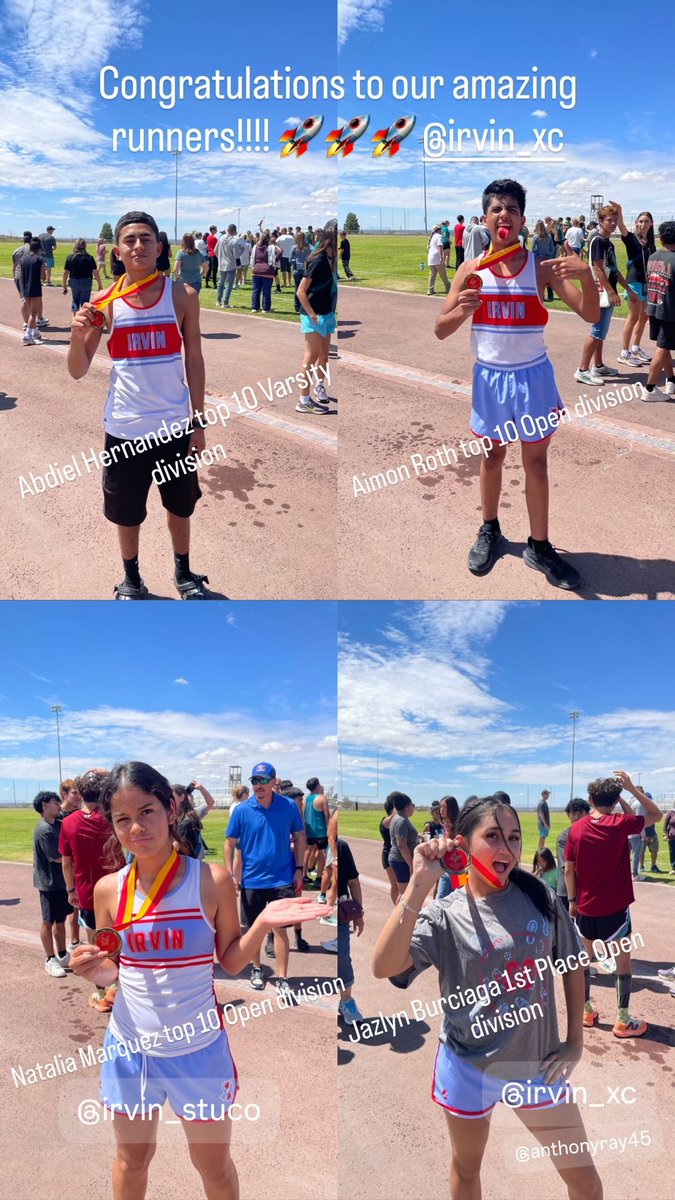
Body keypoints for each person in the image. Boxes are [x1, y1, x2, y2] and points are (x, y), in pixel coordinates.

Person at [70, 760, 324, 1200]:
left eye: (146, 811)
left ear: (170, 809)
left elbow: (231, 960)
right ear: (112, 824)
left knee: (214, 1168)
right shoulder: (109, 890)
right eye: (122, 819)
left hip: (198, 1052)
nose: (136, 828)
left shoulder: (211, 880)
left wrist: (262, 922)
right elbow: (115, 968)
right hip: (131, 1050)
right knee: (132, 1161)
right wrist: (93, 970)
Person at [373, 796, 603, 1200]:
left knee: (584, 1180)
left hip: (536, 1065)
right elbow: (384, 966)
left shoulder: (539, 896)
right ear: (462, 844)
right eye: (493, 836)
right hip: (467, 1066)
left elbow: (572, 963)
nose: (506, 849)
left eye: (513, 838)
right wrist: (419, 884)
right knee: (466, 1167)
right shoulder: (445, 913)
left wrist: (575, 1043)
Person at [435, 178, 599, 590]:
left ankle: (539, 546)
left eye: (512, 208)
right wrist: (462, 312)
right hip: (490, 378)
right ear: (485, 218)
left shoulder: (540, 268)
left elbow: (590, 314)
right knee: (492, 458)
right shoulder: (470, 270)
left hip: (532, 378)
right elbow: (440, 329)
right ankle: (490, 529)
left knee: (536, 464)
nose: (504, 214)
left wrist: (587, 277)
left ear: (523, 219)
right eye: (496, 208)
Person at [67, 210, 211, 601]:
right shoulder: (105, 302)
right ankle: (132, 579)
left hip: (174, 428)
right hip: (125, 430)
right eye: (129, 240)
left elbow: (194, 360)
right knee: (126, 513)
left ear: (159, 247)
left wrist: (198, 422)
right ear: (117, 252)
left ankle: (183, 573)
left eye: (146, 238)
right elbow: (78, 370)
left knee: (180, 507)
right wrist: (76, 337)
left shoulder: (182, 296)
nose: (138, 246)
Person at [565, 770, 662, 1037]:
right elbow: (655, 815)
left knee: (584, 961)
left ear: (590, 799)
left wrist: (572, 901)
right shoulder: (621, 823)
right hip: (616, 910)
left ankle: (586, 1012)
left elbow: (568, 870)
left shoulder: (576, 829)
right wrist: (630, 789)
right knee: (622, 962)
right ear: (615, 799)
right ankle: (622, 1019)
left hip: (584, 907)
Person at [224, 762, 307, 997]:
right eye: (254, 781)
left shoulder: (288, 806)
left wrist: (299, 868)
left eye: (262, 780)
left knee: (281, 930)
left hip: (282, 879)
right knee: (253, 930)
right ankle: (257, 969)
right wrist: (230, 874)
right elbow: (229, 844)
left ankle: (282, 977)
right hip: (252, 880)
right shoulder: (242, 810)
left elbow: (300, 836)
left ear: (273, 782)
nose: (258, 785)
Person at [59, 770, 124, 1010]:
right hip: (118, 887)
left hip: (88, 892)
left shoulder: (68, 822)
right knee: (122, 937)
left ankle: (101, 992)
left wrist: (70, 890)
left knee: (95, 944)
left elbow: (67, 863)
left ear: (80, 793)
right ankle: (119, 988)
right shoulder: (112, 816)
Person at [574, 203, 631, 386]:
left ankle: (598, 365)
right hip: (601, 293)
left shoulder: (608, 243)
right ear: (600, 221)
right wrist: (612, 292)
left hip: (606, 292)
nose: (613, 223)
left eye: (615, 220)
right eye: (609, 220)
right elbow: (598, 269)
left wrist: (628, 289)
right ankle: (582, 370)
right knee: (597, 331)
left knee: (601, 332)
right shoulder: (598, 241)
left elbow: (614, 270)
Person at [295, 227, 337, 415]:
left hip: (327, 313)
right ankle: (303, 400)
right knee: (310, 357)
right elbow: (301, 291)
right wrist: (312, 314)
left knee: (324, 356)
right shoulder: (318, 260)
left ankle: (319, 385)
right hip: (314, 315)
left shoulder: (330, 259)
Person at [33, 790, 73, 976]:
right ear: (44, 805)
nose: (59, 805)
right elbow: (57, 857)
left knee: (60, 920)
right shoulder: (44, 830)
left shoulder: (57, 824)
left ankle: (62, 954)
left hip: (60, 882)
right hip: (48, 884)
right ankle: (50, 959)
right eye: (55, 803)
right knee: (48, 921)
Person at [611, 202, 655, 366]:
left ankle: (635, 348)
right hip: (634, 282)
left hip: (647, 284)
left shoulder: (650, 243)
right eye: (640, 221)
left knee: (644, 317)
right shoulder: (631, 238)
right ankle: (624, 353)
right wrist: (619, 211)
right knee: (633, 318)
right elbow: (621, 226)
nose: (643, 224)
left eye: (646, 221)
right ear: (636, 223)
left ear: (651, 224)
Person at [642, 220, 675, 401]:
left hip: (653, 307)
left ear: (661, 238)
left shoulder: (653, 257)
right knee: (662, 347)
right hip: (669, 311)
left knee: (664, 345)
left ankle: (671, 379)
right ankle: (650, 388)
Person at [336, 837, 365, 1024]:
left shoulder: (341, 846)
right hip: (314, 912)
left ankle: (346, 1001)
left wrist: (358, 914)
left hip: (338, 915)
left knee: (343, 959)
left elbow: (353, 882)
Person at [556, 797, 591, 910]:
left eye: (580, 813)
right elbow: (567, 869)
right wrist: (572, 899)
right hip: (567, 893)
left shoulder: (591, 834)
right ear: (568, 815)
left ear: (587, 814)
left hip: (586, 890)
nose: (576, 817)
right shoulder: (564, 838)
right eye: (573, 813)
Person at [387, 791, 419, 897]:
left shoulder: (400, 818)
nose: (413, 808)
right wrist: (411, 865)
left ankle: (399, 908)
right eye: (413, 805)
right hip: (401, 861)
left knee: (403, 894)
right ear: (407, 806)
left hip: (400, 860)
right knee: (405, 895)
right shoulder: (402, 821)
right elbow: (401, 845)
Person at [302, 777, 330, 890]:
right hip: (320, 831)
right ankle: (318, 878)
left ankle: (304, 875)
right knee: (322, 853)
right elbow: (327, 816)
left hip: (309, 831)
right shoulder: (322, 798)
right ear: (318, 785)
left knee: (307, 852)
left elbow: (303, 816)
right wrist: (330, 830)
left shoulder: (305, 800)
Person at [62, 239, 102, 314]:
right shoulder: (89, 258)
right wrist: (100, 284)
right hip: (87, 281)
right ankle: (84, 316)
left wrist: (64, 284)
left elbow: (65, 272)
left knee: (75, 299)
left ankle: (75, 315)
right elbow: (95, 272)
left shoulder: (70, 257)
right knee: (85, 302)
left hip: (74, 281)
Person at [19, 237, 46, 346]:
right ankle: (27, 335)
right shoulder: (40, 259)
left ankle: (35, 332)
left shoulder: (23, 259)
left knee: (31, 312)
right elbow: (43, 277)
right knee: (34, 313)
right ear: (39, 249)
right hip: (35, 287)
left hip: (25, 287)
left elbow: (21, 275)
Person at [436, 794, 460, 901]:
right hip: (445, 868)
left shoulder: (460, 825)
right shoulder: (445, 825)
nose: (441, 810)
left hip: (458, 869)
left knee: (459, 899)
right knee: (440, 899)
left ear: (451, 808)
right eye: (440, 807)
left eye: (444, 807)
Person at [379, 795, 398, 905]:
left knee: (401, 884)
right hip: (388, 855)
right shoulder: (385, 821)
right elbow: (390, 821)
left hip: (397, 856)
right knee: (395, 885)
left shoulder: (398, 820)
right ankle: (396, 906)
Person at [250, 232, 275, 313]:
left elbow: (252, 258)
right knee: (266, 290)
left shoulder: (255, 246)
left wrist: (253, 267)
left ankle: (255, 307)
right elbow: (274, 257)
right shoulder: (271, 247)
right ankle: (266, 308)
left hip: (256, 270)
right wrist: (272, 266)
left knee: (256, 290)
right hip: (267, 270)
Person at [216, 224, 239, 308]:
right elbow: (237, 256)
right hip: (231, 265)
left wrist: (220, 258)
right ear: (234, 231)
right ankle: (225, 303)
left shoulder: (221, 238)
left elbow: (215, 250)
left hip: (221, 264)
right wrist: (238, 266)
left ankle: (218, 301)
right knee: (229, 284)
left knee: (221, 283)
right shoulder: (234, 241)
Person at [532, 220, 556, 301]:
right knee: (548, 278)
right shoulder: (548, 236)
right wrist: (549, 254)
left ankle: (541, 296)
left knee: (539, 279)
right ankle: (551, 295)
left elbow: (533, 249)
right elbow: (552, 248)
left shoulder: (536, 237)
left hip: (538, 259)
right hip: (547, 258)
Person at [290, 231, 311, 314]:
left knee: (297, 288)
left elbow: (290, 259)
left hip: (297, 270)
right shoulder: (309, 247)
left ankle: (297, 306)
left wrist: (294, 263)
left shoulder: (294, 247)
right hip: (306, 270)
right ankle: (305, 306)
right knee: (306, 289)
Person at [427, 225, 450, 296]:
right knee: (443, 274)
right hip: (437, 257)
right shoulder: (439, 236)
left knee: (432, 275)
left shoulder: (432, 237)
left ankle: (430, 289)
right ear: (438, 230)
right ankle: (448, 287)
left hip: (431, 258)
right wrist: (441, 257)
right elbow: (440, 246)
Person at [663, 806, 675, 874]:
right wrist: (666, 835)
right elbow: (665, 825)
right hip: (672, 837)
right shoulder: (670, 813)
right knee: (673, 853)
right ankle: (674, 868)